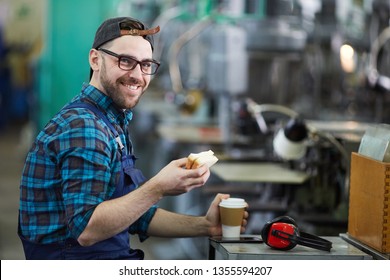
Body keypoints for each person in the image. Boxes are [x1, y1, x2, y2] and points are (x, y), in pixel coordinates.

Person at [18, 16, 248, 260]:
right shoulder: (85, 127)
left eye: (146, 64)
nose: (138, 75)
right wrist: (158, 187)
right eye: (126, 61)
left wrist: (206, 226)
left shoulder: (112, 120)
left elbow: (134, 213)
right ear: (95, 59)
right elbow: (87, 228)